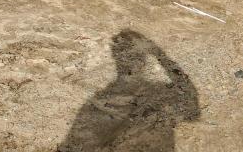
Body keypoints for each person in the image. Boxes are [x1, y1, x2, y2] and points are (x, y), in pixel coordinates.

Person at [59, 29, 200, 151]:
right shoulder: (159, 91)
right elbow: (191, 102)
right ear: (144, 61)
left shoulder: (95, 102)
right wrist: (159, 55)